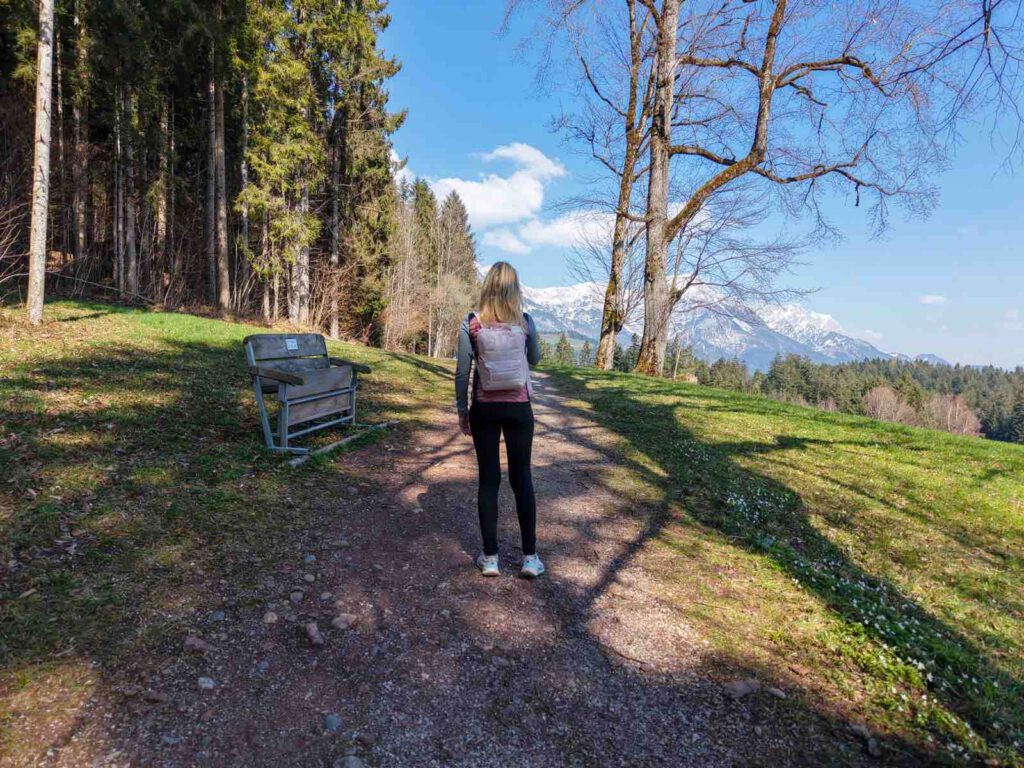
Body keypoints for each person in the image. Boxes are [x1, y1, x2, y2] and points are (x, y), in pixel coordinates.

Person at [455, 262, 544, 578]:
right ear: (515, 290)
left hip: (485, 408)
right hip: (519, 408)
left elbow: (462, 372)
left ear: (487, 287)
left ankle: (490, 558)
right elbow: (535, 359)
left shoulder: (471, 323)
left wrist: (462, 412)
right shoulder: (526, 322)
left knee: (489, 480)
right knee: (522, 480)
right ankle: (530, 558)